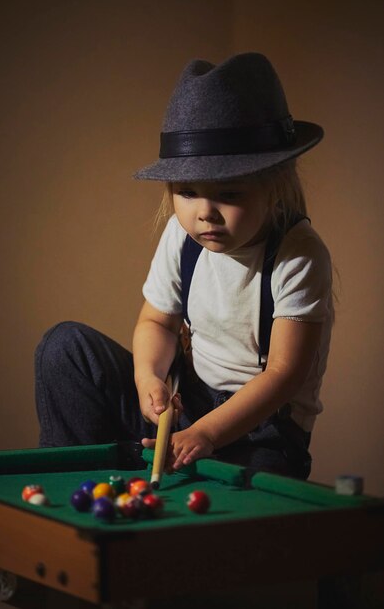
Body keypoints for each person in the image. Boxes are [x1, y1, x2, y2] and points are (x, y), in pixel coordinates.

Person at [35, 53, 333, 482]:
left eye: (229, 192)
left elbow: (285, 374)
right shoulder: (181, 236)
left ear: (276, 181)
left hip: (261, 432)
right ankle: (76, 488)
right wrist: (148, 377)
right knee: (64, 346)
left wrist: (206, 434)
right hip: (186, 408)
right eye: (188, 191)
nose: (204, 213)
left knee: (243, 512)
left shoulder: (299, 254)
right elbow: (156, 322)